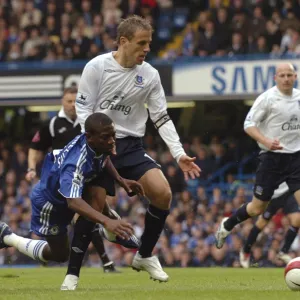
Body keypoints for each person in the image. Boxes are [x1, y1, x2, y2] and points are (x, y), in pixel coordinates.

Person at [62, 15, 201, 289]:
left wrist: (179, 153)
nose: (147, 49)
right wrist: (91, 147)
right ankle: (72, 275)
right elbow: (84, 111)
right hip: (99, 145)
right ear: (123, 42)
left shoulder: (149, 74)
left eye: (148, 43)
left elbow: (161, 117)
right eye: (141, 43)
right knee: (93, 204)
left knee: (163, 192)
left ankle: (144, 254)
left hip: (130, 146)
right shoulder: (97, 67)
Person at [0, 113, 144, 271]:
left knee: (97, 201)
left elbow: (104, 158)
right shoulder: (74, 163)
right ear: (89, 137)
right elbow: (73, 202)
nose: (111, 141)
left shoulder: (97, 142)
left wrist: (121, 180)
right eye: (106, 137)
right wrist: (106, 221)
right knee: (60, 255)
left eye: (113, 135)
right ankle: (9, 237)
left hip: (71, 191)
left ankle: (117, 235)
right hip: (51, 204)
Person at [25, 86, 123, 273]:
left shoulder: (88, 123)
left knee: (90, 215)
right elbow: (35, 146)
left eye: (75, 101)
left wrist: (119, 178)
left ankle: (105, 261)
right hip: (62, 182)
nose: (71, 105)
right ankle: (102, 257)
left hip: (84, 178)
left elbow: (101, 153)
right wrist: (31, 168)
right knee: (81, 225)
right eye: (68, 101)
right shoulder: (53, 124)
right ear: (62, 102)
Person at [215, 62, 300, 250]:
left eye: (290, 75)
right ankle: (227, 225)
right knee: (257, 208)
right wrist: (266, 141)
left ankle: (286, 252)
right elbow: (249, 124)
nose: (286, 78)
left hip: (296, 158)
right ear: (275, 78)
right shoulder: (267, 98)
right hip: (272, 159)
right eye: (282, 75)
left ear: (295, 77)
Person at [239, 182, 299, 268]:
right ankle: (245, 251)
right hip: (273, 195)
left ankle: (283, 252)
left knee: (297, 219)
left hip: (288, 192)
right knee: (261, 223)